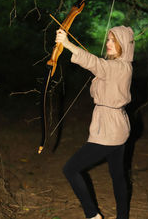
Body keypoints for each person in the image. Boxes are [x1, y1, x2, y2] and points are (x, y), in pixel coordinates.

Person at [55, 25, 135, 219]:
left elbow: (95, 63)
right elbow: (100, 68)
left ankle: (93, 215)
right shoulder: (115, 67)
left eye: (114, 41)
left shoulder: (120, 67)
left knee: (71, 169)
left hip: (109, 129)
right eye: (108, 39)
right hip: (117, 126)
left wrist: (67, 44)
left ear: (124, 44)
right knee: (118, 175)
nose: (109, 44)